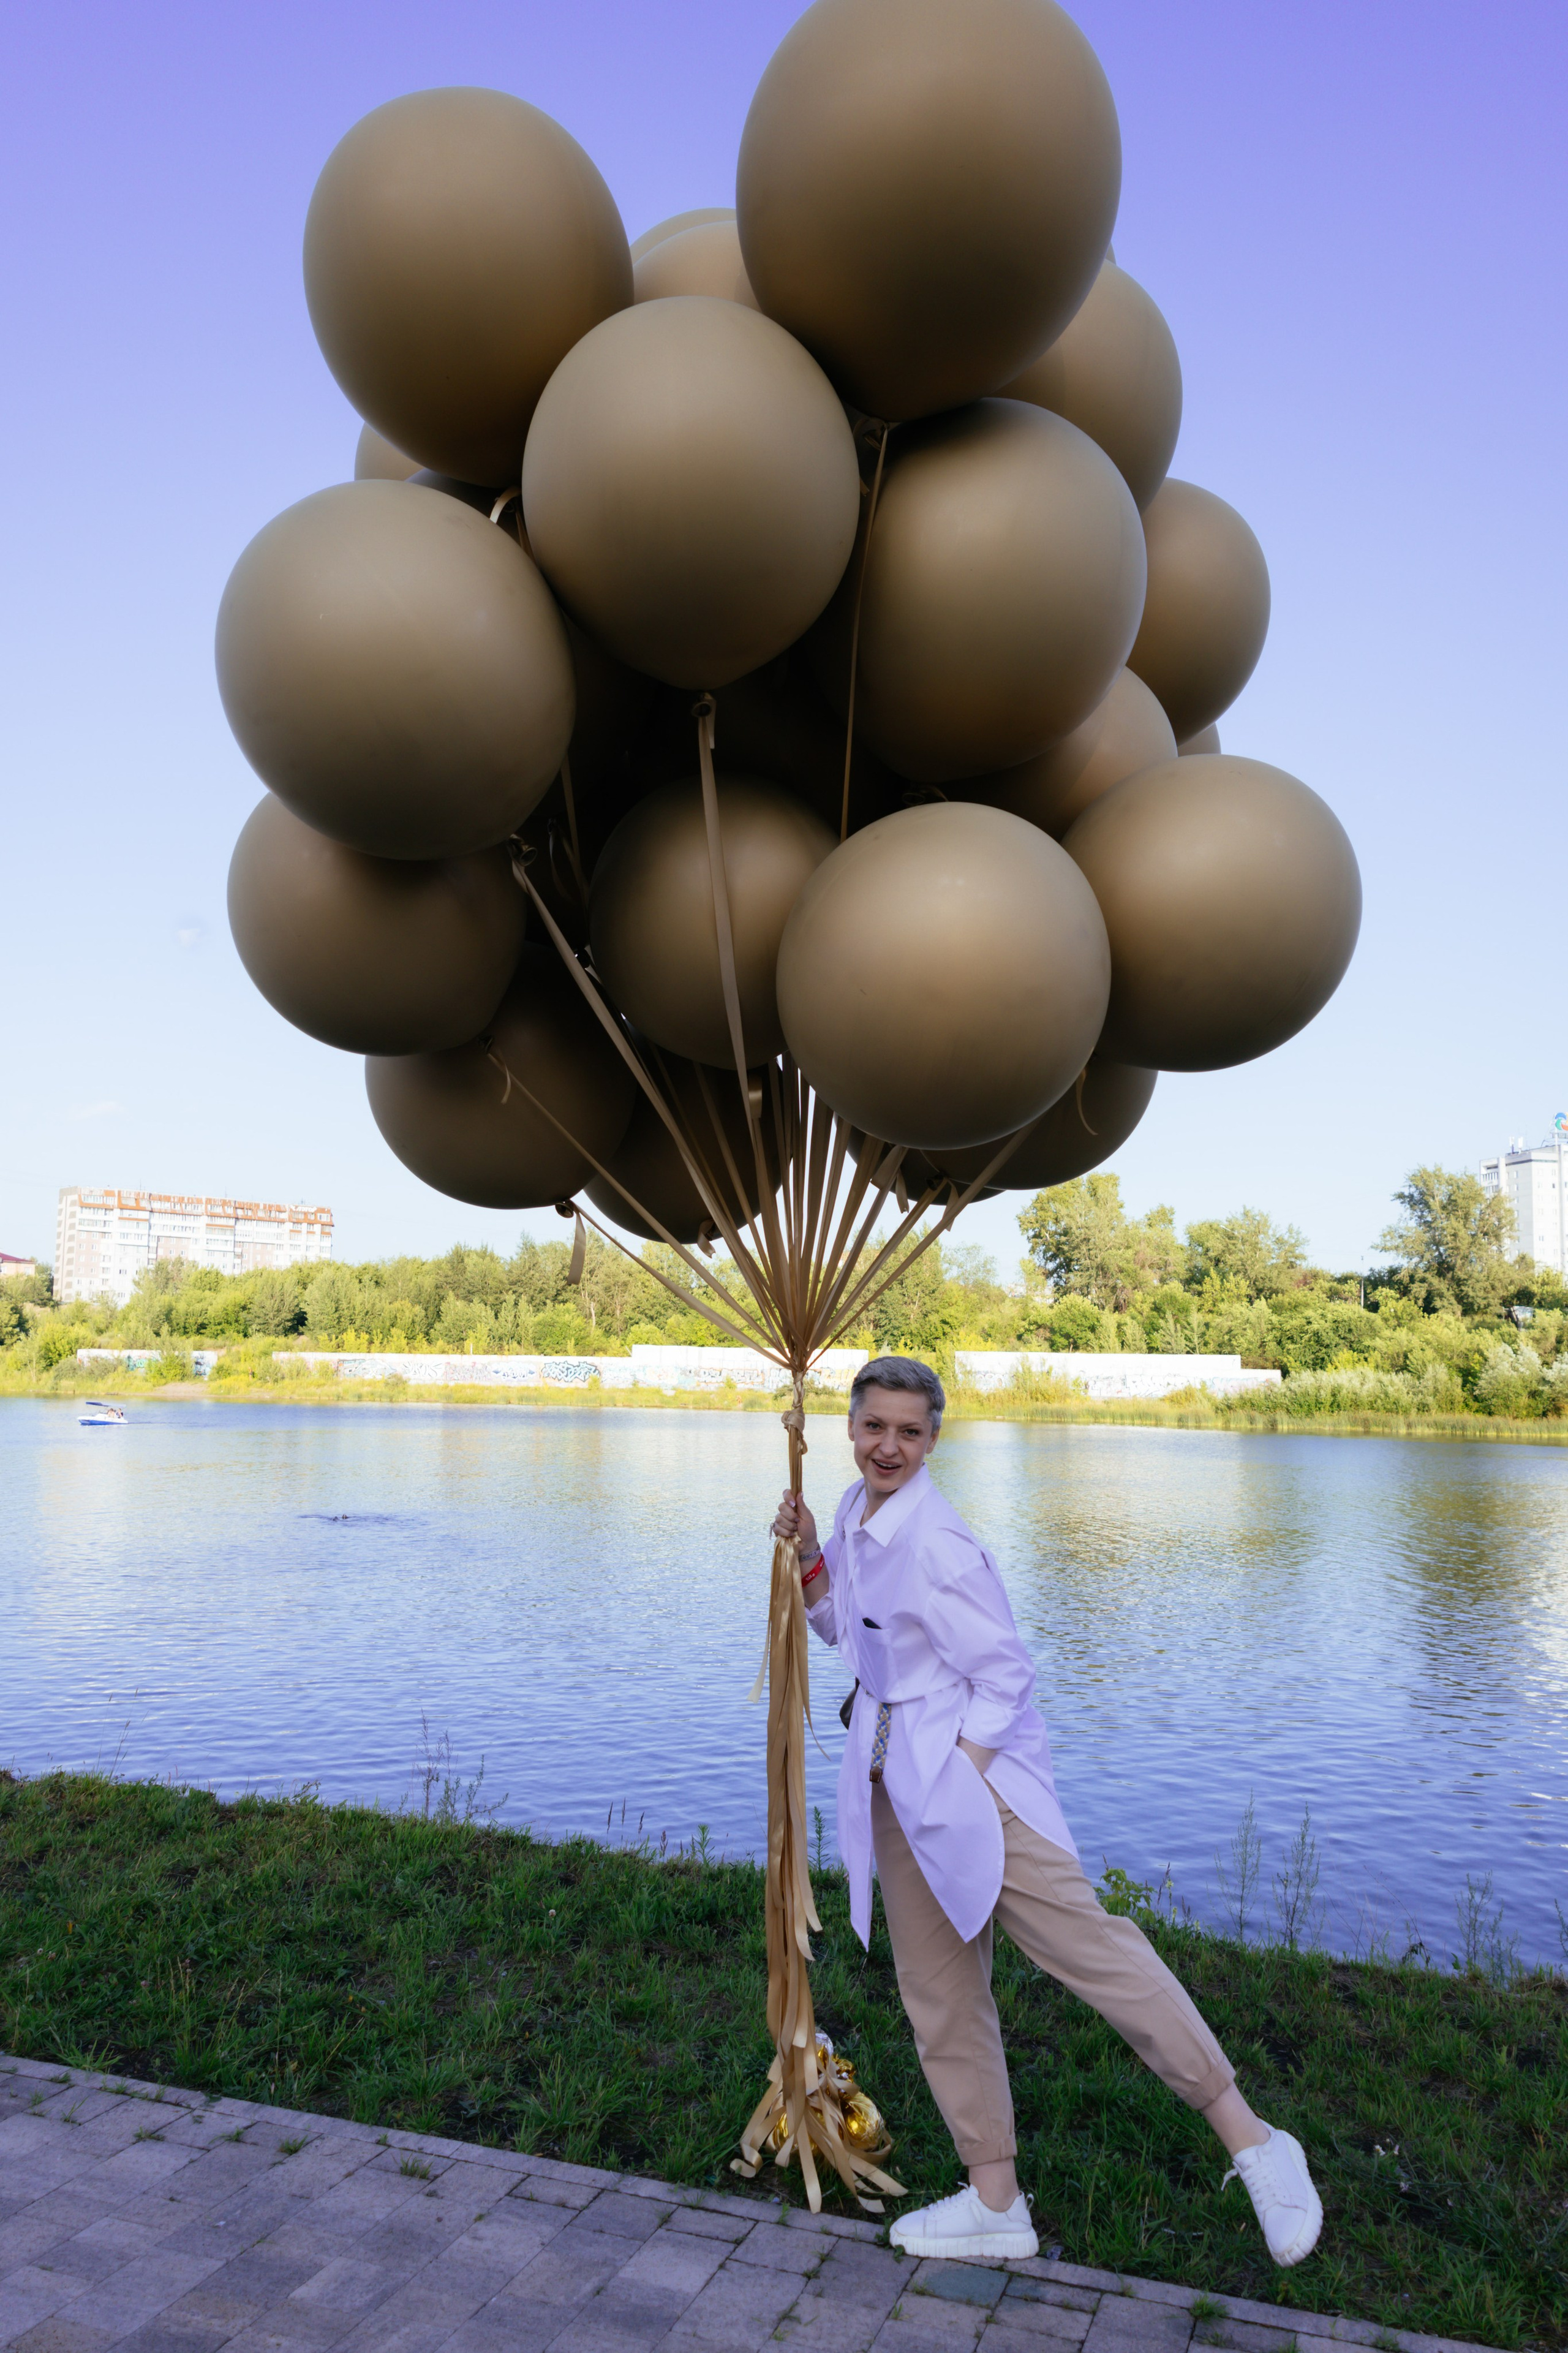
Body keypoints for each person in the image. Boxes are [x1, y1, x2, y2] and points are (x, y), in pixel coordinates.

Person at [772, 1353, 1321, 2267]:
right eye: (875, 1427)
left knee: (1095, 1952)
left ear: (934, 1438)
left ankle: (1255, 2140)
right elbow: (850, 1639)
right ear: (853, 1427)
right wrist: (809, 1565)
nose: (890, 1446)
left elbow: (1007, 1675)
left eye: (911, 1431)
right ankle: (996, 2202)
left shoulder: (941, 1543)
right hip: (895, 1780)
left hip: (969, 1787)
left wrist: (962, 1772)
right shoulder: (850, 1511)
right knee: (940, 1994)